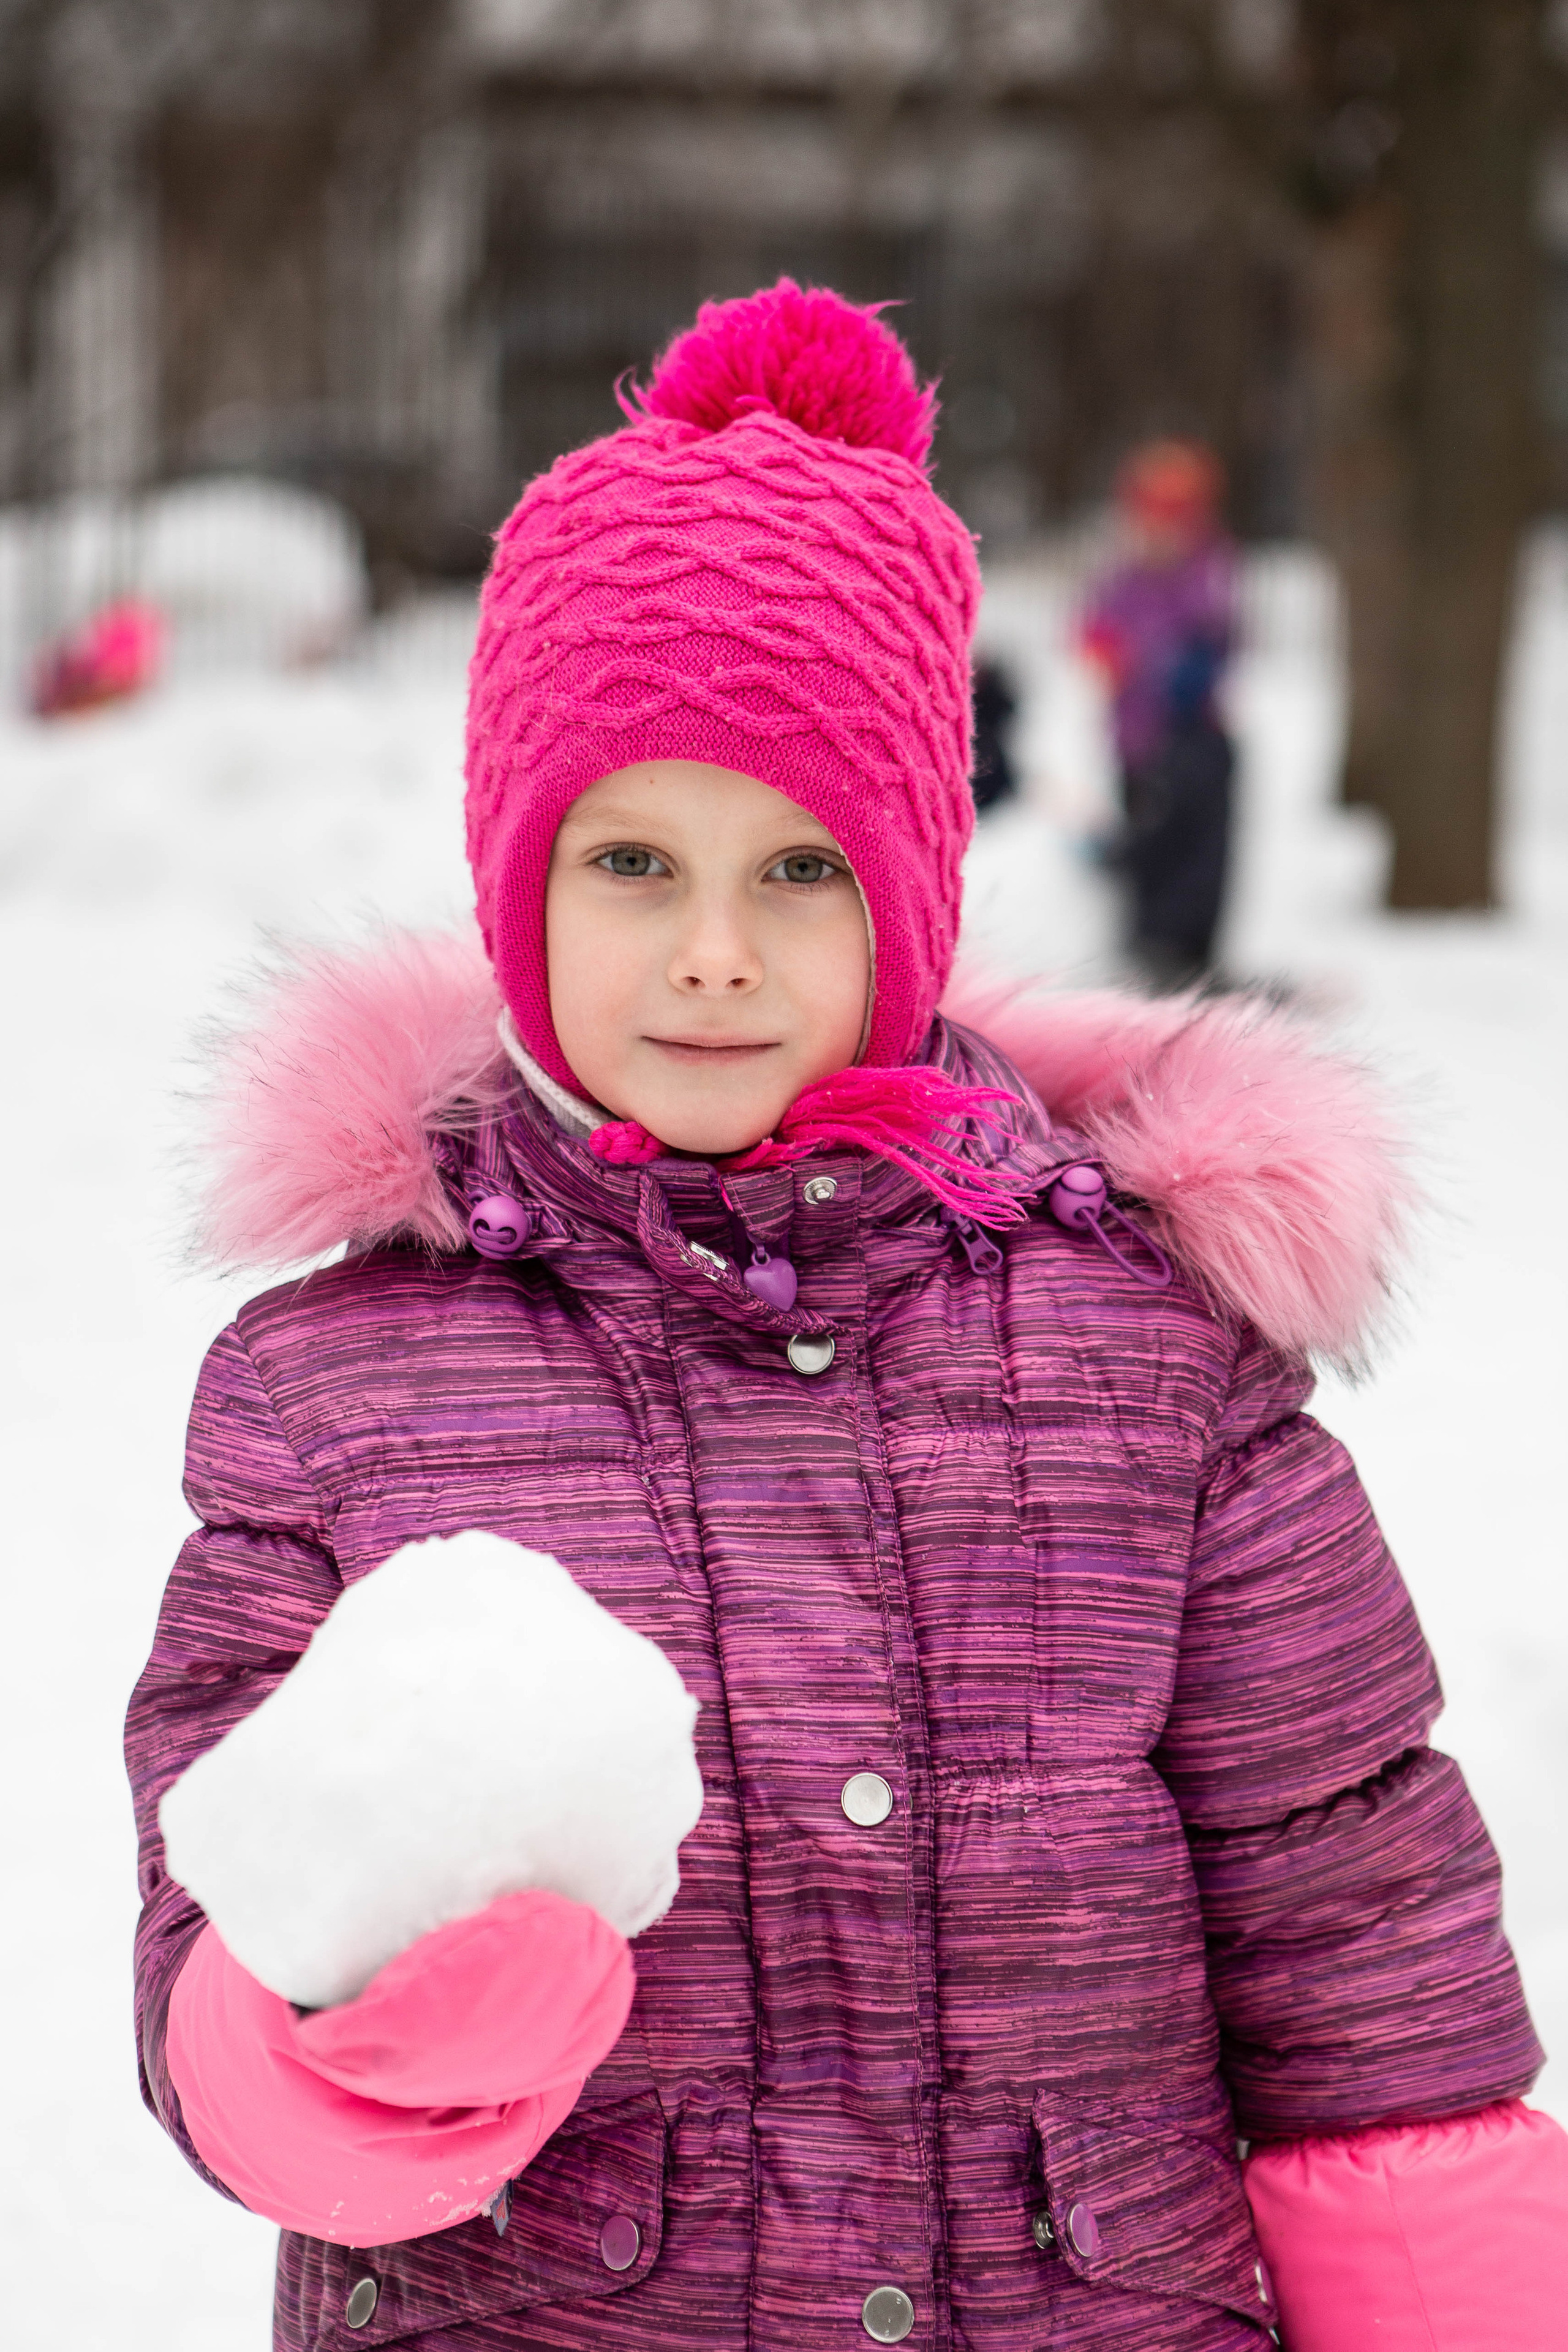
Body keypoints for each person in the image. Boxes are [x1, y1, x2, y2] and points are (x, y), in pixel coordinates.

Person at [126, 282, 1567, 2352]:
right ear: (518, 882)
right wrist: (349, 2067)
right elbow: (217, 1921)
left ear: (915, 888)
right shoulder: (338, 1391)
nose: (713, 953)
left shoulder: (1156, 1363)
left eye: (800, 871)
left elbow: (1362, 1942)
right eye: (633, 862)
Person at [1080, 440, 1237, 989]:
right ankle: (1146, 942)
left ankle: (1192, 949)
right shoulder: (1122, 577)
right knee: (1145, 838)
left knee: (1199, 848)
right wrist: (1105, 654)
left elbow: (1219, 632)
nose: (1158, 533)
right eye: (1148, 518)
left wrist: (1195, 665)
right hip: (1135, 739)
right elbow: (1094, 629)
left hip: (1195, 737)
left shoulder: (1207, 571)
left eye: (1173, 520)